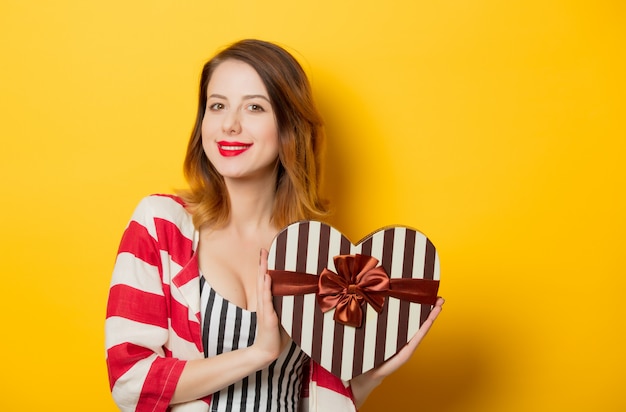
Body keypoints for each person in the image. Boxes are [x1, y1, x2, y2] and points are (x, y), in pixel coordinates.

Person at [105, 39, 444, 412]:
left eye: (254, 107)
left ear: (289, 126)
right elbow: (130, 382)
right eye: (217, 105)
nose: (230, 124)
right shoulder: (162, 225)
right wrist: (259, 353)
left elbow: (310, 403)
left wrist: (367, 379)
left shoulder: (317, 255)